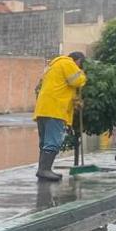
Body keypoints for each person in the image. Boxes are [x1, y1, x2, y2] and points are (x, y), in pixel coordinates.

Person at [33, 51, 88, 181]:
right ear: (78, 60)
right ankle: (44, 170)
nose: (79, 67)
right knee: (53, 141)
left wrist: (75, 101)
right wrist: (83, 75)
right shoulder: (67, 63)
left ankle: (43, 170)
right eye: (80, 64)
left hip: (43, 109)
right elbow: (77, 81)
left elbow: (62, 87)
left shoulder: (54, 66)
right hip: (55, 110)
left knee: (45, 142)